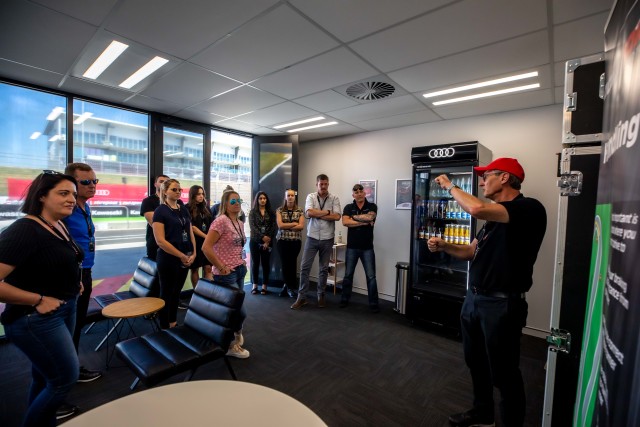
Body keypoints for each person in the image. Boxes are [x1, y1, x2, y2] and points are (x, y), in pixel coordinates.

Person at [427, 158, 546, 427]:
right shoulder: (492, 221)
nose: (482, 183)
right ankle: (483, 413)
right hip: (475, 300)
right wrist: (445, 246)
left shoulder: (529, 208)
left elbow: (476, 208)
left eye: (486, 176)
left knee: (505, 374)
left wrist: (450, 186)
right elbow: (471, 251)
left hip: (502, 305)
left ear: (504, 177)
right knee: (476, 363)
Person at [0, 171, 83, 427]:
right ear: (42, 196)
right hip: (36, 319)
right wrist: (37, 299)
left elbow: (57, 260)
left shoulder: (58, 224)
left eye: (73, 194)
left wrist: (73, 281)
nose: (71, 199)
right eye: (63, 193)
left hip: (64, 307)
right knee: (64, 380)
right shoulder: (25, 230)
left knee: (45, 376)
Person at [202, 190, 250, 359]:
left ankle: (235, 334)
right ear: (225, 204)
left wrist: (242, 261)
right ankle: (229, 346)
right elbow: (206, 247)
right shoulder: (220, 221)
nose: (237, 203)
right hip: (226, 274)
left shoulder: (240, 222)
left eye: (239, 200)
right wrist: (221, 267)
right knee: (236, 312)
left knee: (237, 310)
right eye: (233, 201)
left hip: (239, 270)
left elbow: (238, 246)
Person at [291, 174, 341, 310]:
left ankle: (321, 295)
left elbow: (337, 216)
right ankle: (301, 297)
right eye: (321, 184)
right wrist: (327, 212)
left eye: (325, 184)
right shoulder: (311, 197)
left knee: (324, 269)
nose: (323, 186)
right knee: (304, 267)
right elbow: (309, 213)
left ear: (328, 184)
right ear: (317, 184)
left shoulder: (334, 198)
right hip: (312, 237)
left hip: (327, 238)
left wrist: (318, 213)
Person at [152, 179, 196, 328]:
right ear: (165, 191)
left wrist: (194, 253)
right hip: (168, 258)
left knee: (176, 292)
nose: (178, 192)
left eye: (179, 190)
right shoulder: (160, 211)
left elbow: (190, 232)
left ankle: (173, 322)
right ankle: (164, 326)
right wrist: (181, 255)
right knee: (167, 293)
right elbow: (160, 241)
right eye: (174, 189)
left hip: (186, 256)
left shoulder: (183, 209)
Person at [339, 183, 379, 312]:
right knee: (348, 275)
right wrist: (363, 222)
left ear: (364, 193)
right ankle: (344, 299)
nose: (359, 193)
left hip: (367, 248)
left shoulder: (372, 206)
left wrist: (353, 219)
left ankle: (373, 304)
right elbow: (345, 222)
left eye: (361, 191)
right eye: (356, 192)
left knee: (371, 277)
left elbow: (370, 217)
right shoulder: (348, 207)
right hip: (352, 247)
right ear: (353, 195)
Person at [275, 189, 305, 298]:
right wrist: (294, 223)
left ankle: (289, 287)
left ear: (294, 197)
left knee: (292, 264)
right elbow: (280, 226)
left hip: (295, 242)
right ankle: (288, 287)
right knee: (285, 264)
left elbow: (301, 226)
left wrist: (287, 225)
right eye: (288, 195)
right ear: (285, 197)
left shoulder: (300, 210)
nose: (290, 197)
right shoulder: (279, 210)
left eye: (292, 195)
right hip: (282, 241)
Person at [248, 191, 276, 295]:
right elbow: (253, 227)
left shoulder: (271, 212)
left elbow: (273, 226)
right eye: (260, 198)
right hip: (255, 241)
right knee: (255, 263)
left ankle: (264, 286)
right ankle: (255, 285)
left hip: (268, 242)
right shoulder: (252, 212)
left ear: (266, 200)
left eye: (264, 198)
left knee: (265, 264)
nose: (263, 200)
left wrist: (267, 240)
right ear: (257, 200)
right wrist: (262, 237)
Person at [187, 185, 213, 289]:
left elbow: (212, 225)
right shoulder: (187, 208)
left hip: (207, 243)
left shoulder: (206, 208)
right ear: (193, 195)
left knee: (208, 268)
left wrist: (210, 238)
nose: (201, 196)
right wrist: (207, 237)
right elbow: (192, 227)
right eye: (198, 194)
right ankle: (197, 292)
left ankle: (208, 293)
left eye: (202, 194)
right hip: (195, 243)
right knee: (195, 269)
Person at [140, 174, 169, 261]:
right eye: (161, 181)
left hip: (175, 243)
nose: (164, 183)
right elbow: (154, 224)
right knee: (156, 268)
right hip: (155, 244)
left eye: (167, 182)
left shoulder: (178, 202)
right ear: (155, 184)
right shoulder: (148, 201)